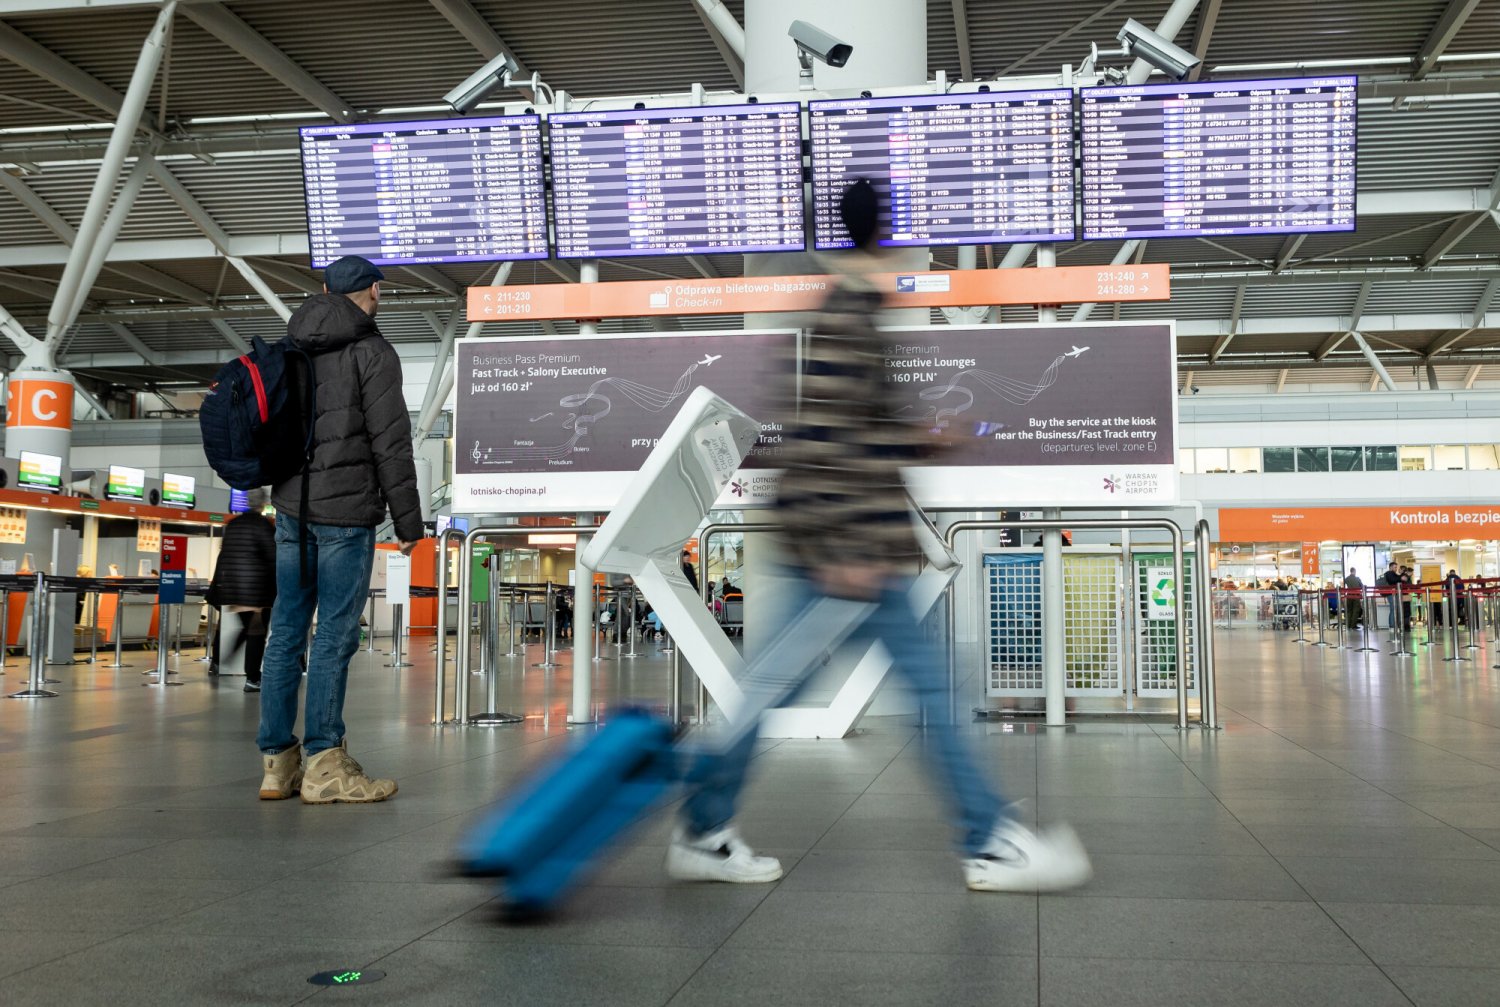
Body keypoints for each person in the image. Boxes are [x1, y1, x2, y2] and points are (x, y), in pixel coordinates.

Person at [666, 178, 1090, 894]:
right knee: (890, 693)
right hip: (851, 553)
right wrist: (848, 550)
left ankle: (705, 825)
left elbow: (854, 430)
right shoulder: (848, 315)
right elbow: (827, 438)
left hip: (850, 545)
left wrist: (923, 440)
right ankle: (988, 841)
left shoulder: (847, 311)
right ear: (884, 236)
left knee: (779, 691)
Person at [256, 254, 423, 804]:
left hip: (289, 510)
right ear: (375, 291)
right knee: (333, 636)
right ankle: (326, 762)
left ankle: (277, 764)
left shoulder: (292, 346)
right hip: (345, 517)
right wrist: (408, 521)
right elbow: (390, 441)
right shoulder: (372, 351)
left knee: (285, 633)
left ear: (326, 289)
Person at [208, 490, 276, 693]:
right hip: (258, 592)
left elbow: (224, 558)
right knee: (256, 632)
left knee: (247, 629)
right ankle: (253, 677)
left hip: (235, 591)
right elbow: (273, 558)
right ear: (263, 504)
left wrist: (223, 588)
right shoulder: (264, 526)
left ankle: (224, 658)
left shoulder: (233, 525)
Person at [1382, 561, 1401, 630]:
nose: (1396, 569)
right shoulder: (1389, 573)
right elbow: (1393, 580)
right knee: (1393, 609)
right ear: (1390, 567)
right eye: (1395, 567)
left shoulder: (1393, 574)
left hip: (1392, 593)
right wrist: (1401, 577)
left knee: (1394, 609)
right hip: (1390, 593)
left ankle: (1394, 625)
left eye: (1396, 567)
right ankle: (1392, 626)